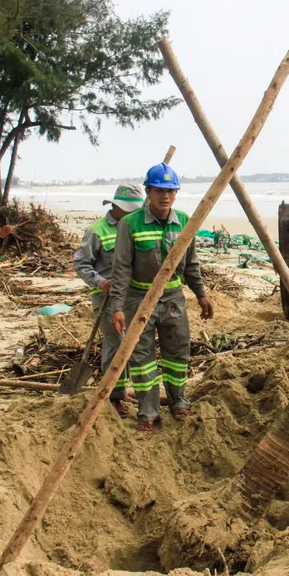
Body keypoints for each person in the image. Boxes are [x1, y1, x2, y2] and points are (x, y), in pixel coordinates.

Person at [109, 163, 213, 433]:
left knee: (177, 354)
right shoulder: (129, 225)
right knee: (142, 359)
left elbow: (191, 264)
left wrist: (201, 295)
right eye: (158, 190)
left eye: (170, 190)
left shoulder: (183, 222)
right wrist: (117, 307)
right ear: (148, 192)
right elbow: (120, 269)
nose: (164, 196)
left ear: (176, 192)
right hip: (139, 299)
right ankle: (148, 411)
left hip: (173, 299)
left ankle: (178, 400)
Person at [73, 182, 145, 417]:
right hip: (106, 298)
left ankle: (122, 389)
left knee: (132, 344)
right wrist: (100, 281)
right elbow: (81, 263)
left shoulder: (136, 227)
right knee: (115, 344)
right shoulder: (97, 230)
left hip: (133, 296)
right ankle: (112, 395)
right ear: (116, 206)